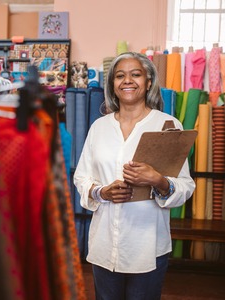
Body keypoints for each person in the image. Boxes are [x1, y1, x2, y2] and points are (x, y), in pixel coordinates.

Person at [73, 52, 195, 300]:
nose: (127, 80)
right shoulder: (100, 127)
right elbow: (82, 177)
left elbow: (185, 186)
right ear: (113, 85)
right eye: (120, 76)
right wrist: (102, 191)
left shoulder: (167, 125)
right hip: (105, 243)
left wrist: (157, 180)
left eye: (135, 74)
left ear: (148, 81)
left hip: (147, 245)